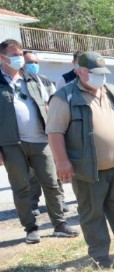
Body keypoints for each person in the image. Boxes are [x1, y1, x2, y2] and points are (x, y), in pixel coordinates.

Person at [47, 51, 114, 266]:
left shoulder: (110, 90)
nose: (101, 77)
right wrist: (62, 161)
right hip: (87, 168)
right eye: (95, 73)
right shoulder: (64, 97)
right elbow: (55, 132)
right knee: (92, 212)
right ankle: (100, 254)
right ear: (79, 71)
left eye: (103, 73)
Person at [0, 39, 79, 244]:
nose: (19, 58)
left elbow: (49, 106)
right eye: (14, 54)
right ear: (2, 57)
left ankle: (60, 225)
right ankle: (31, 228)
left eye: (20, 53)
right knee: (21, 187)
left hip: (40, 141)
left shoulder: (33, 79)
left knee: (52, 183)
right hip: (11, 144)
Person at [23, 50, 69, 216]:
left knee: (54, 171)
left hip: (48, 133)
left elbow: (54, 102)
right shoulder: (19, 83)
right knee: (31, 175)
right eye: (30, 62)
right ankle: (33, 203)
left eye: (36, 62)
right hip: (27, 137)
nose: (33, 65)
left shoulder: (46, 82)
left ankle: (60, 200)